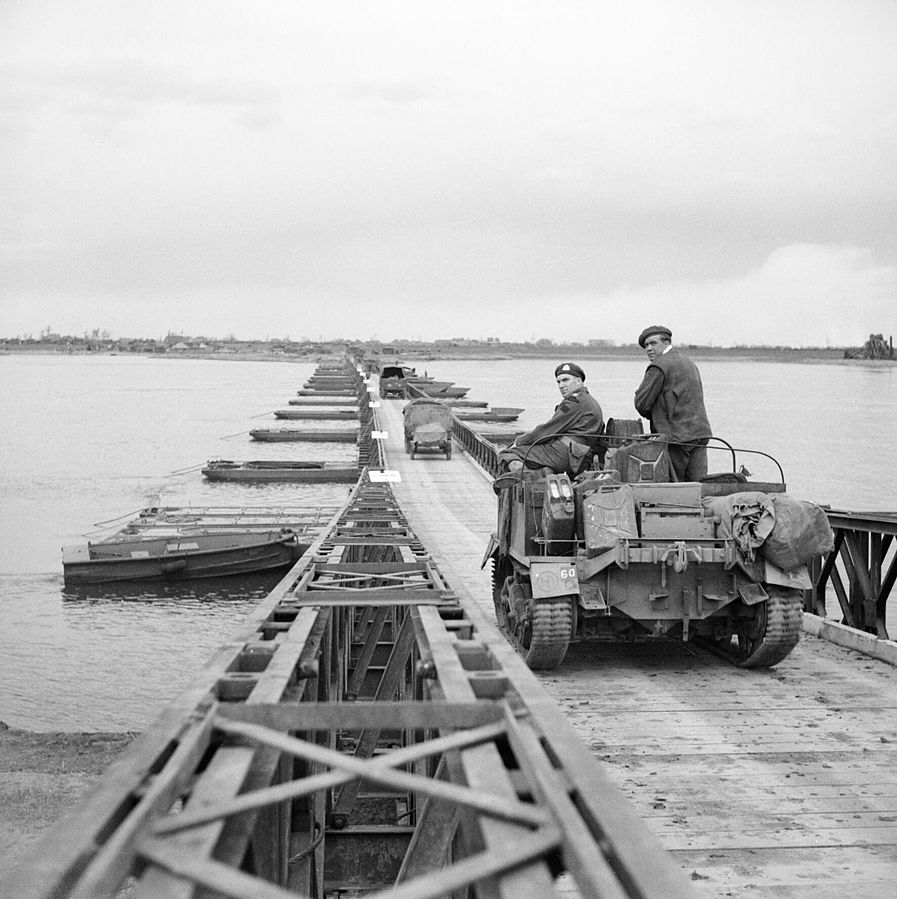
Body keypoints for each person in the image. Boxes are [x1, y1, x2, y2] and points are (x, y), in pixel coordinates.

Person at [633, 325, 712, 481]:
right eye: (646, 345)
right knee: (698, 487)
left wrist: (655, 412)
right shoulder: (689, 362)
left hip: (676, 438)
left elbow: (641, 403)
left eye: (653, 343)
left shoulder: (659, 366)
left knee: (674, 488)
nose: (649, 348)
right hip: (700, 434)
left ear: (666, 342)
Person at [498, 362, 604, 477]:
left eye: (565, 380)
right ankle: (543, 472)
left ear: (578, 381)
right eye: (559, 382)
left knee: (507, 453)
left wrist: (518, 442)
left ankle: (527, 477)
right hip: (580, 457)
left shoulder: (574, 402)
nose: (561, 385)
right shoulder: (589, 401)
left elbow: (548, 430)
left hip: (564, 454)